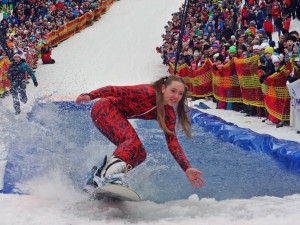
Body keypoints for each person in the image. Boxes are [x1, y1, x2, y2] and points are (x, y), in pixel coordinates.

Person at [76, 75, 205, 190]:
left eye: (180, 93)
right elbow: (114, 90)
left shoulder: (168, 113)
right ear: (163, 88)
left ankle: (96, 178)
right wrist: (91, 95)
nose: (176, 96)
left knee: (140, 154)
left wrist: (186, 167)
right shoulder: (147, 92)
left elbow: (173, 143)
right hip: (104, 108)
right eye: (173, 91)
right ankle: (109, 177)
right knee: (132, 142)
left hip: (113, 114)